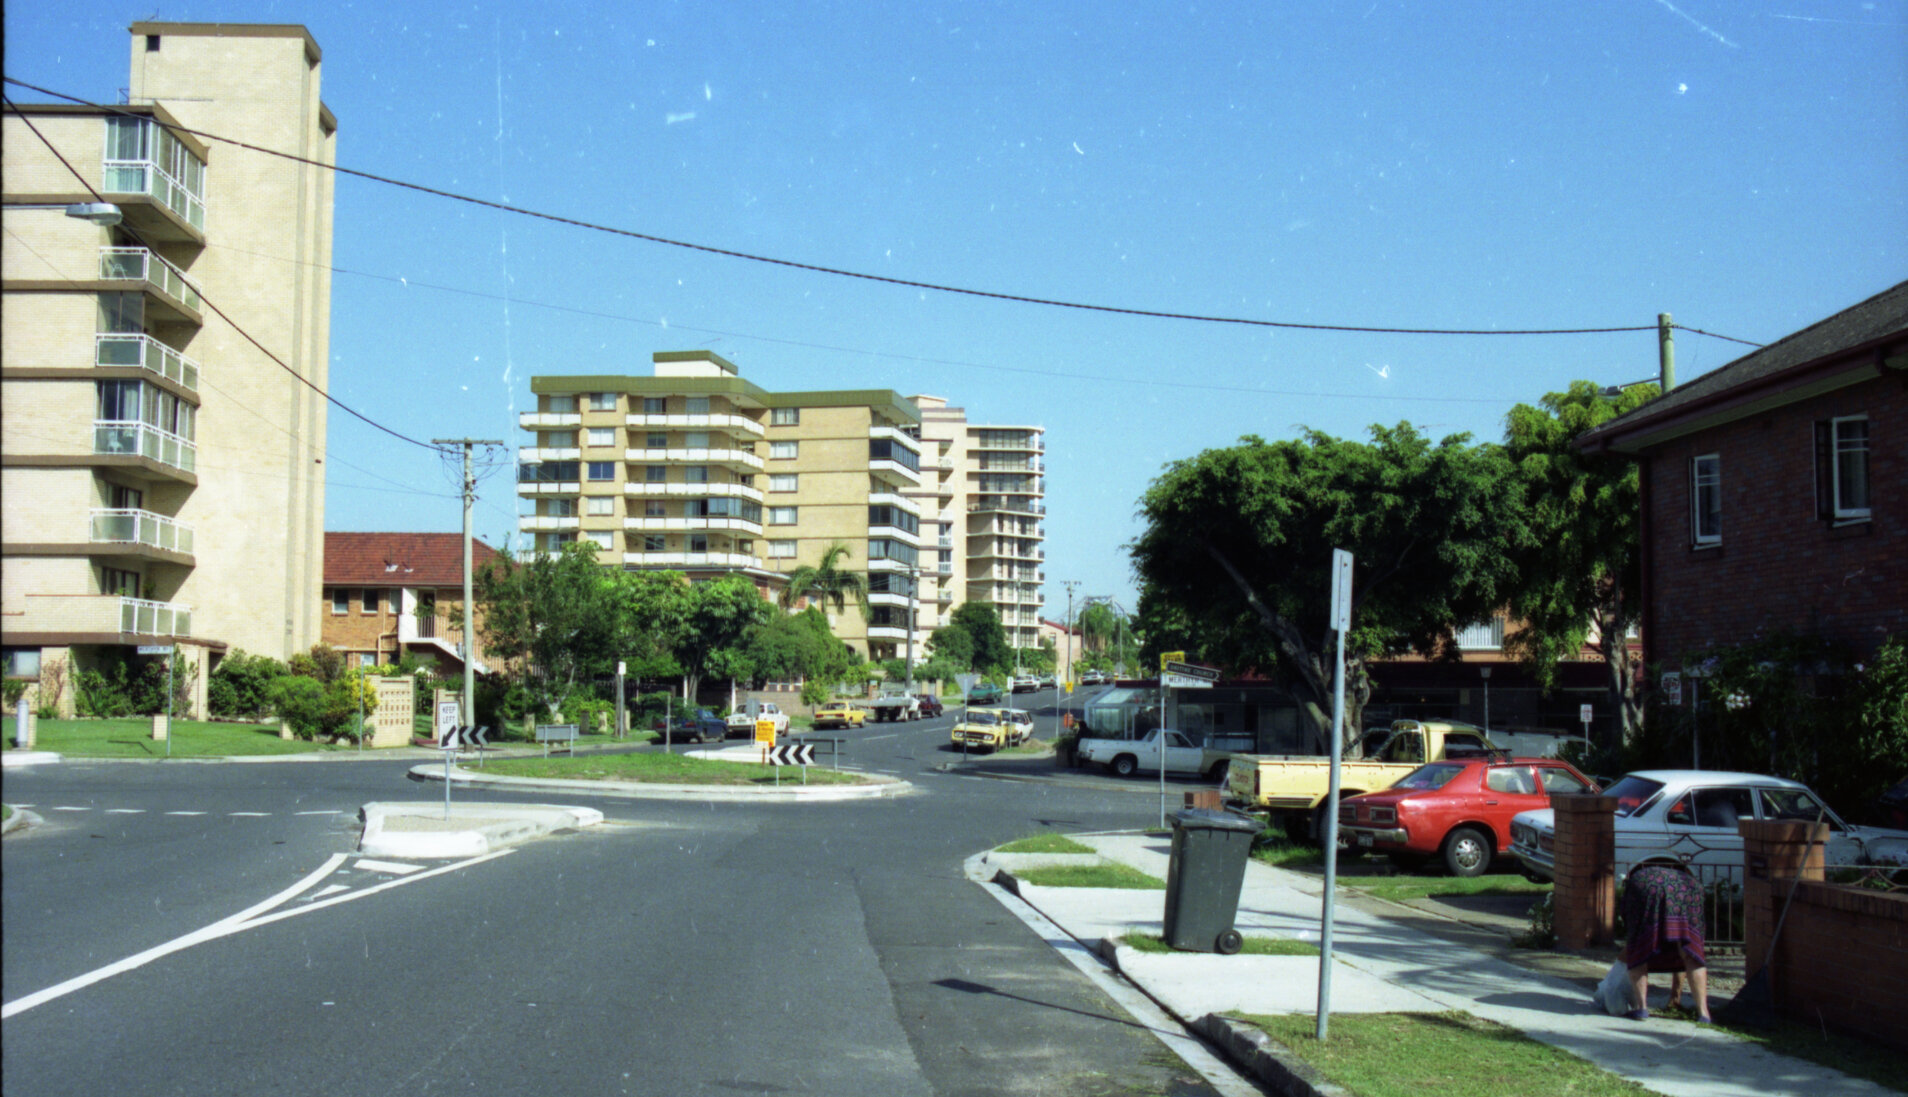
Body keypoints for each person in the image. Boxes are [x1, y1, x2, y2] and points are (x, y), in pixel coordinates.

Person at [1619, 863, 1711, 1023]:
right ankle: (1704, 1013)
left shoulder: (1634, 886)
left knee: (1639, 946)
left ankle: (1642, 1008)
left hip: (1647, 890)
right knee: (1690, 951)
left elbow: (1631, 943)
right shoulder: (1689, 881)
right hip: (1688, 892)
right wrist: (1675, 996)